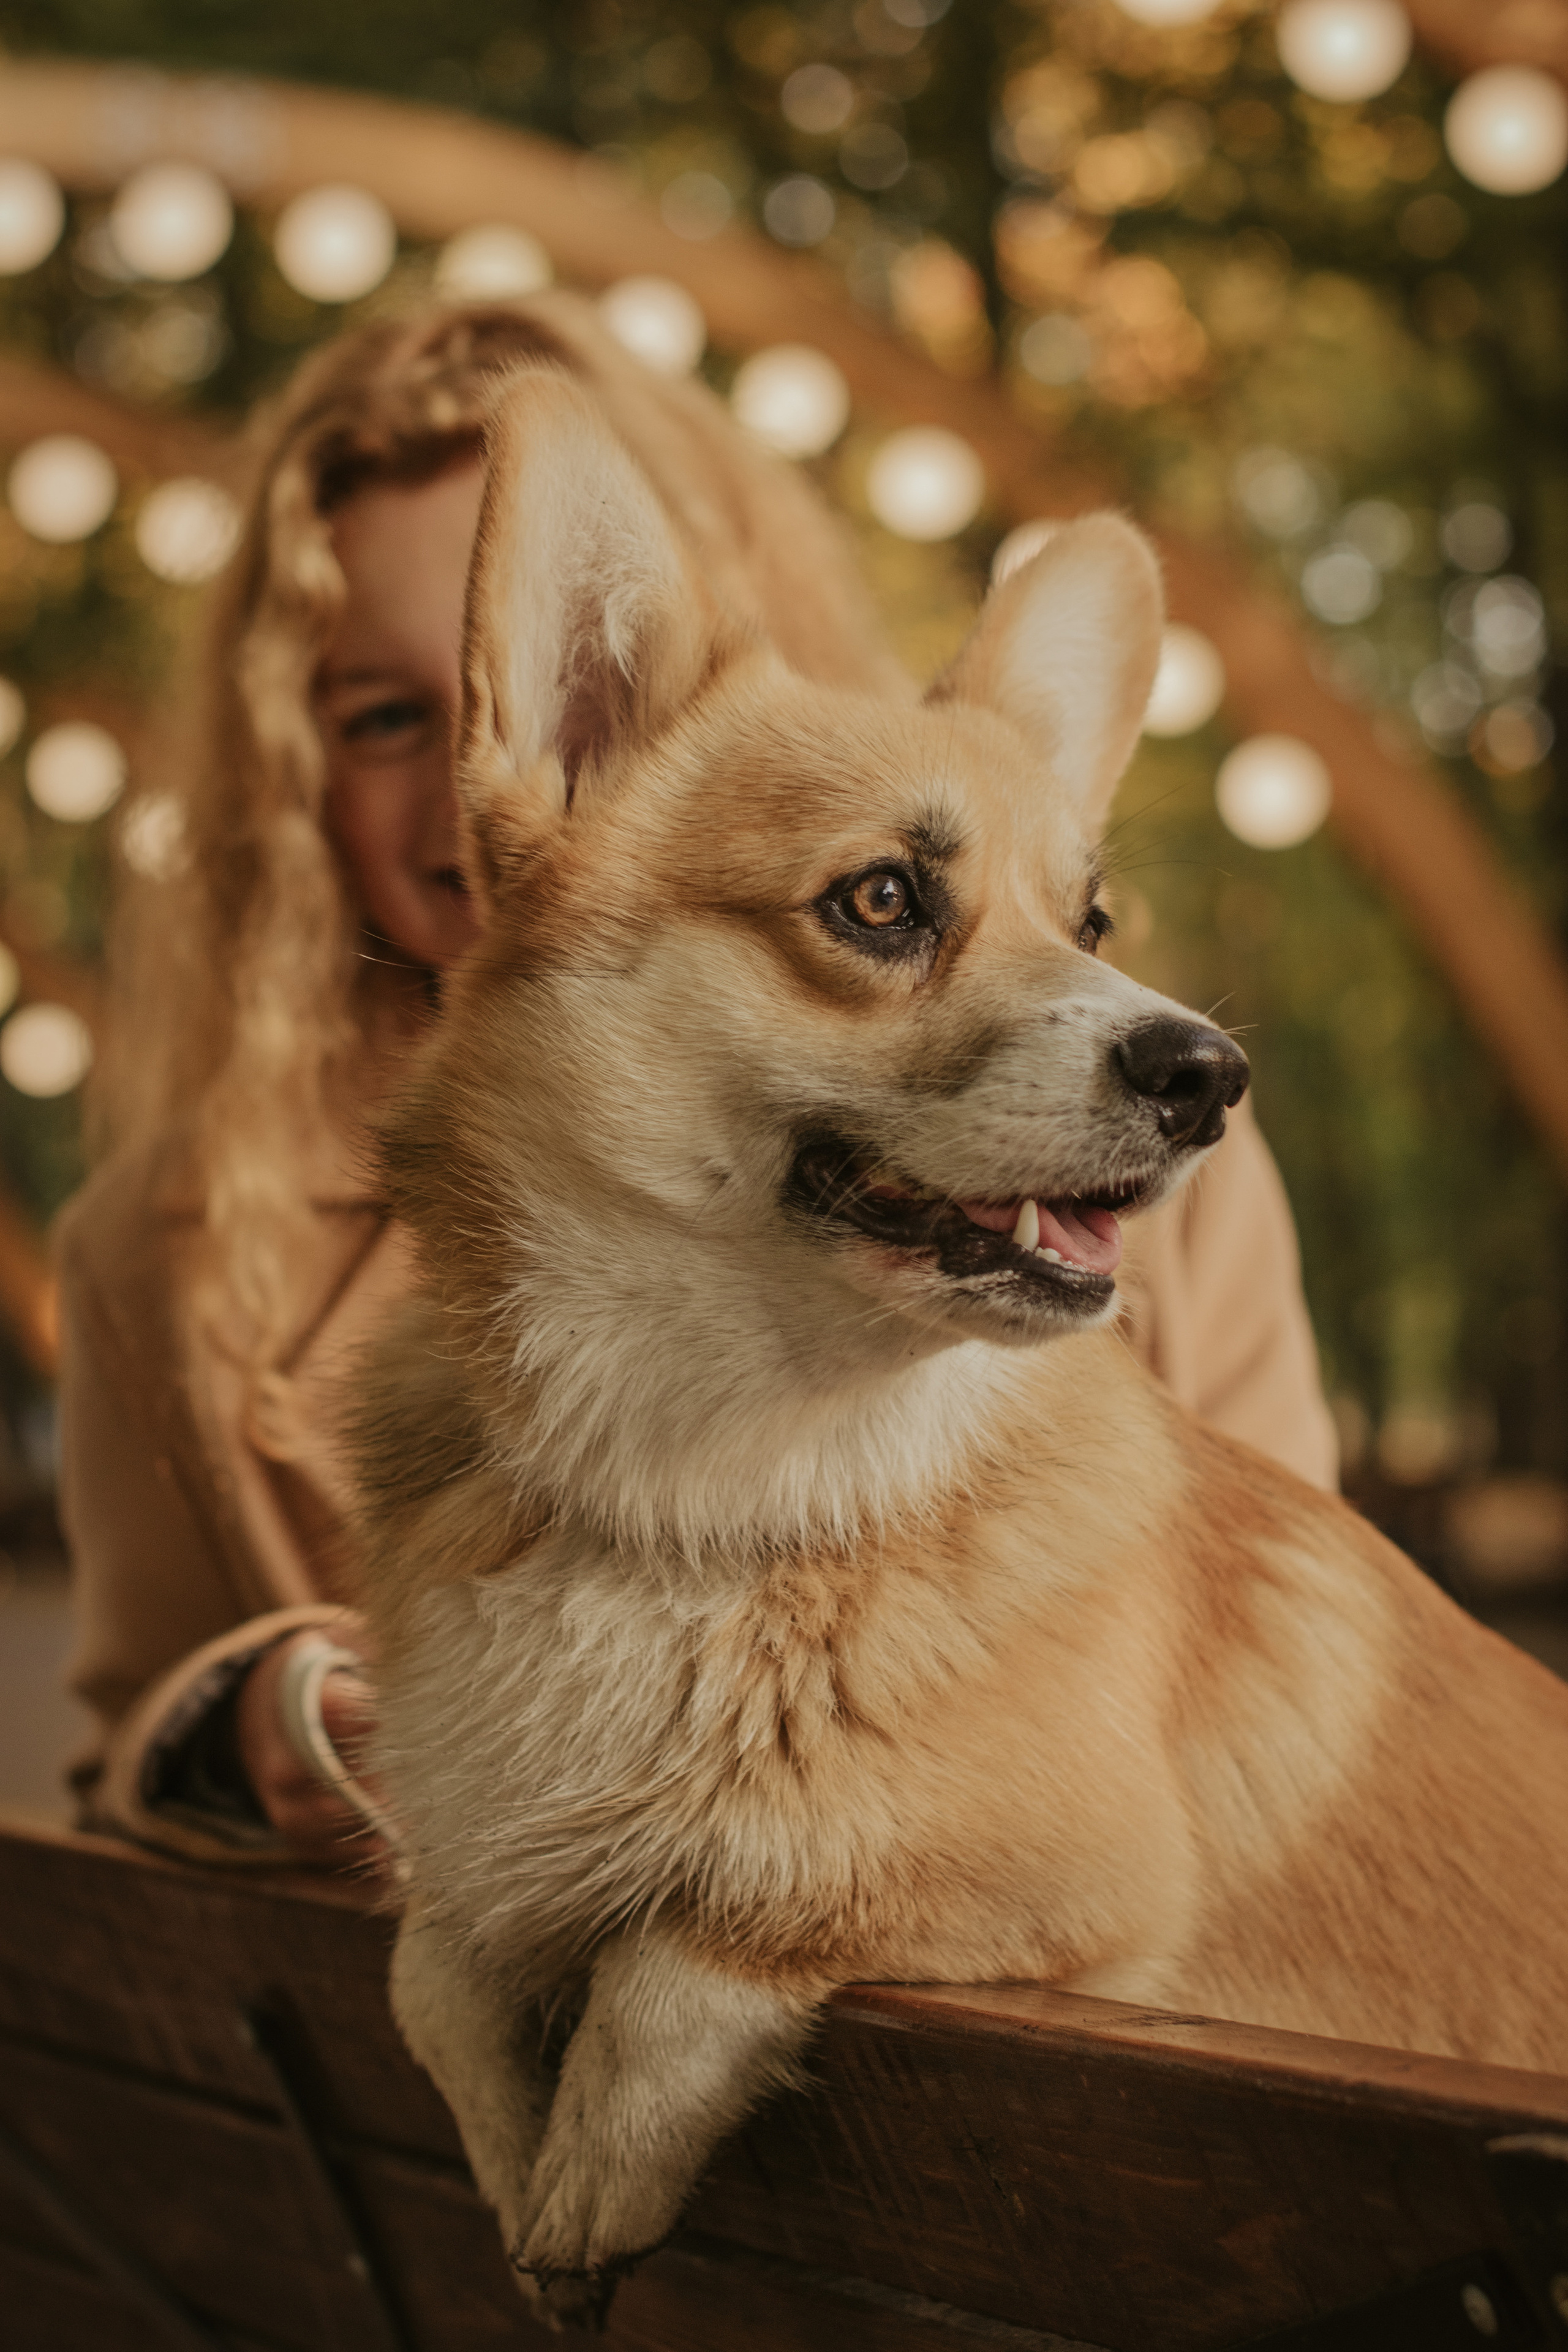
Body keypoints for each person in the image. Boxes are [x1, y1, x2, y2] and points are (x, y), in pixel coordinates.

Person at [58, 292, 1336, 1871]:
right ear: (288, 775)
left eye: (556, 664)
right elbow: (119, 1753)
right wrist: (239, 1712)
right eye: (392, 714)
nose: (494, 763)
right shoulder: (152, 1250)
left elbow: (1284, 1672)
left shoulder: (1109, 1145)